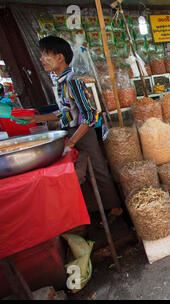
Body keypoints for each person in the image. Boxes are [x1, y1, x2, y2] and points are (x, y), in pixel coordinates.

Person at [16, 36, 123, 221]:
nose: (41, 59)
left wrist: (72, 142)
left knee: (98, 169)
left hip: (83, 132)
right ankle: (96, 209)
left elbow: (89, 115)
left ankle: (115, 208)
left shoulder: (74, 82)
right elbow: (64, 112)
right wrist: (36, 118)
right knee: (86, 173)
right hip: (71, 132)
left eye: (45, 54)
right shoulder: (58, 81)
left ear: (59, 57)